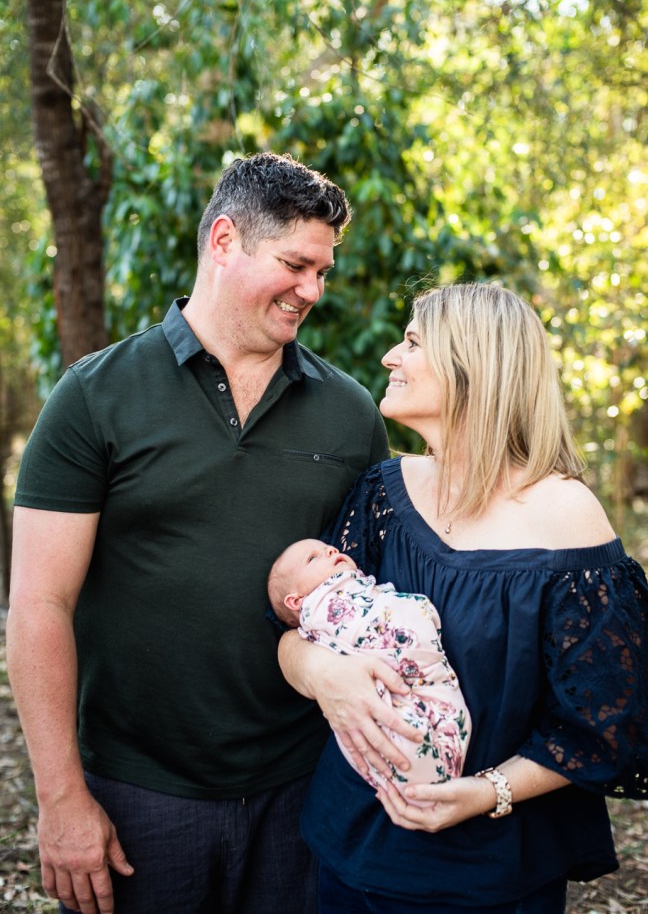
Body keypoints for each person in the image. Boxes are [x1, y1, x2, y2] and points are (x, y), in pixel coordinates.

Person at [6, 152, 399, 914]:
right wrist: (61, 799)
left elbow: (368, 594)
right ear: (224, 241)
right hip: (137, 791)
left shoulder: (349, 413)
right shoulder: (94, 395)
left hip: (302, 789)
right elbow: (39, 604)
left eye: (322, 271)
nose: (312, 290)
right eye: (294, 265)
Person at [278, 282, 648, 914]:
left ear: (472, 367)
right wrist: (322, 671)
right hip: (350, 846)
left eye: (412, 342)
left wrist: (486, 792)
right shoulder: (383, 493)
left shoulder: (566, 518)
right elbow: (297, 626)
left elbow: (606, 722)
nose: (389, 356)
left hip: (490, 872)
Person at [268, 537, 471, 797]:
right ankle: (421, 783)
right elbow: (364, 628)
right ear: (295, 602)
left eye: (329, 548)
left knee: (453, 720)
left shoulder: (365, 587)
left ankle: (432, 779)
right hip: (382, 696)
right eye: (313, 558)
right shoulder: (320, 609)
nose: (331, 550)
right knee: (395, 737)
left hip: (428, 684)